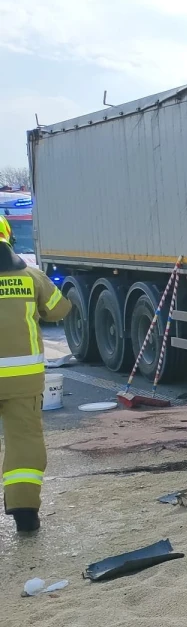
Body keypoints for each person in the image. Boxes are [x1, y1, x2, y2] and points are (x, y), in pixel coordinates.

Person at [0, 216, 71, 533]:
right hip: (22, 382)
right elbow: (59, 309)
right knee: (24, 442)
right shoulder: (31, 277)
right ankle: (25, 515)